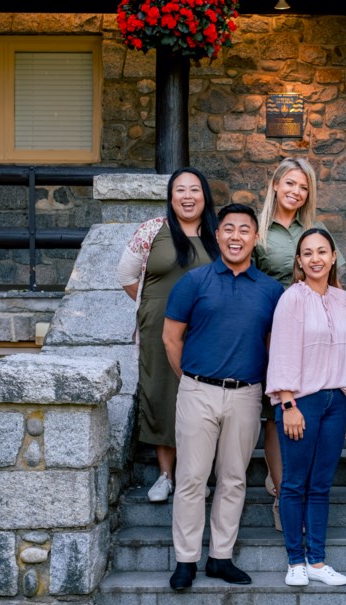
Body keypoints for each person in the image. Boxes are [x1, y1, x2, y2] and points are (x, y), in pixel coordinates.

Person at [162, 203, 284, 589]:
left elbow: (272, 346)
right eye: (228, 229)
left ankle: (220, 557)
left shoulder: (271, 291)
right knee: (192, 478)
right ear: (217, 235)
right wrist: (192, 380)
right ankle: (186, 560)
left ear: (255, 238)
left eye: (244, 230)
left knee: (233, 478)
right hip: (198, 389)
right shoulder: (194, 282)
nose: (236, 237)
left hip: (246, 394)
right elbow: (170, 338)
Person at [115, 167, 218, 503]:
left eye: (194, 190)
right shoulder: (152, 230)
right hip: (159, 326)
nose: (187, 197)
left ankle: (196, 475)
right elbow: (126, 276)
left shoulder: (218, 233)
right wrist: (154, 306)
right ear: (170, 197)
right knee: (162, 395)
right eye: (180, 191)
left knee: (202, 398)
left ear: (205, 196)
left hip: (206, 329)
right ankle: (165, 475)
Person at [254, 157, 345, 531]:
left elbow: (332, 287)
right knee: (274, 414)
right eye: (290, 183)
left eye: (303, 186)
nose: (296, 191)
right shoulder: (259, 233)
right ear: (275, 184)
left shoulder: (316, 231)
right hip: (264, 328)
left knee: (293, 407)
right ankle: (281, 492)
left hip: (308, 337)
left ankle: (289, 485)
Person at [266, 228, 346, 587]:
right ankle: (295, 561)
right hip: (300, 400)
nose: (316, 258)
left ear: (333, 257)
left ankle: (318, 562)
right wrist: (287, 403)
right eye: (308, 253)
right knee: (294, 483)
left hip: (336, 401)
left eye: (322, 251)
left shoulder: (342, 299)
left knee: (321, 484)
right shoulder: (293, 298)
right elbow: (283, 350)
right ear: (299, 262)